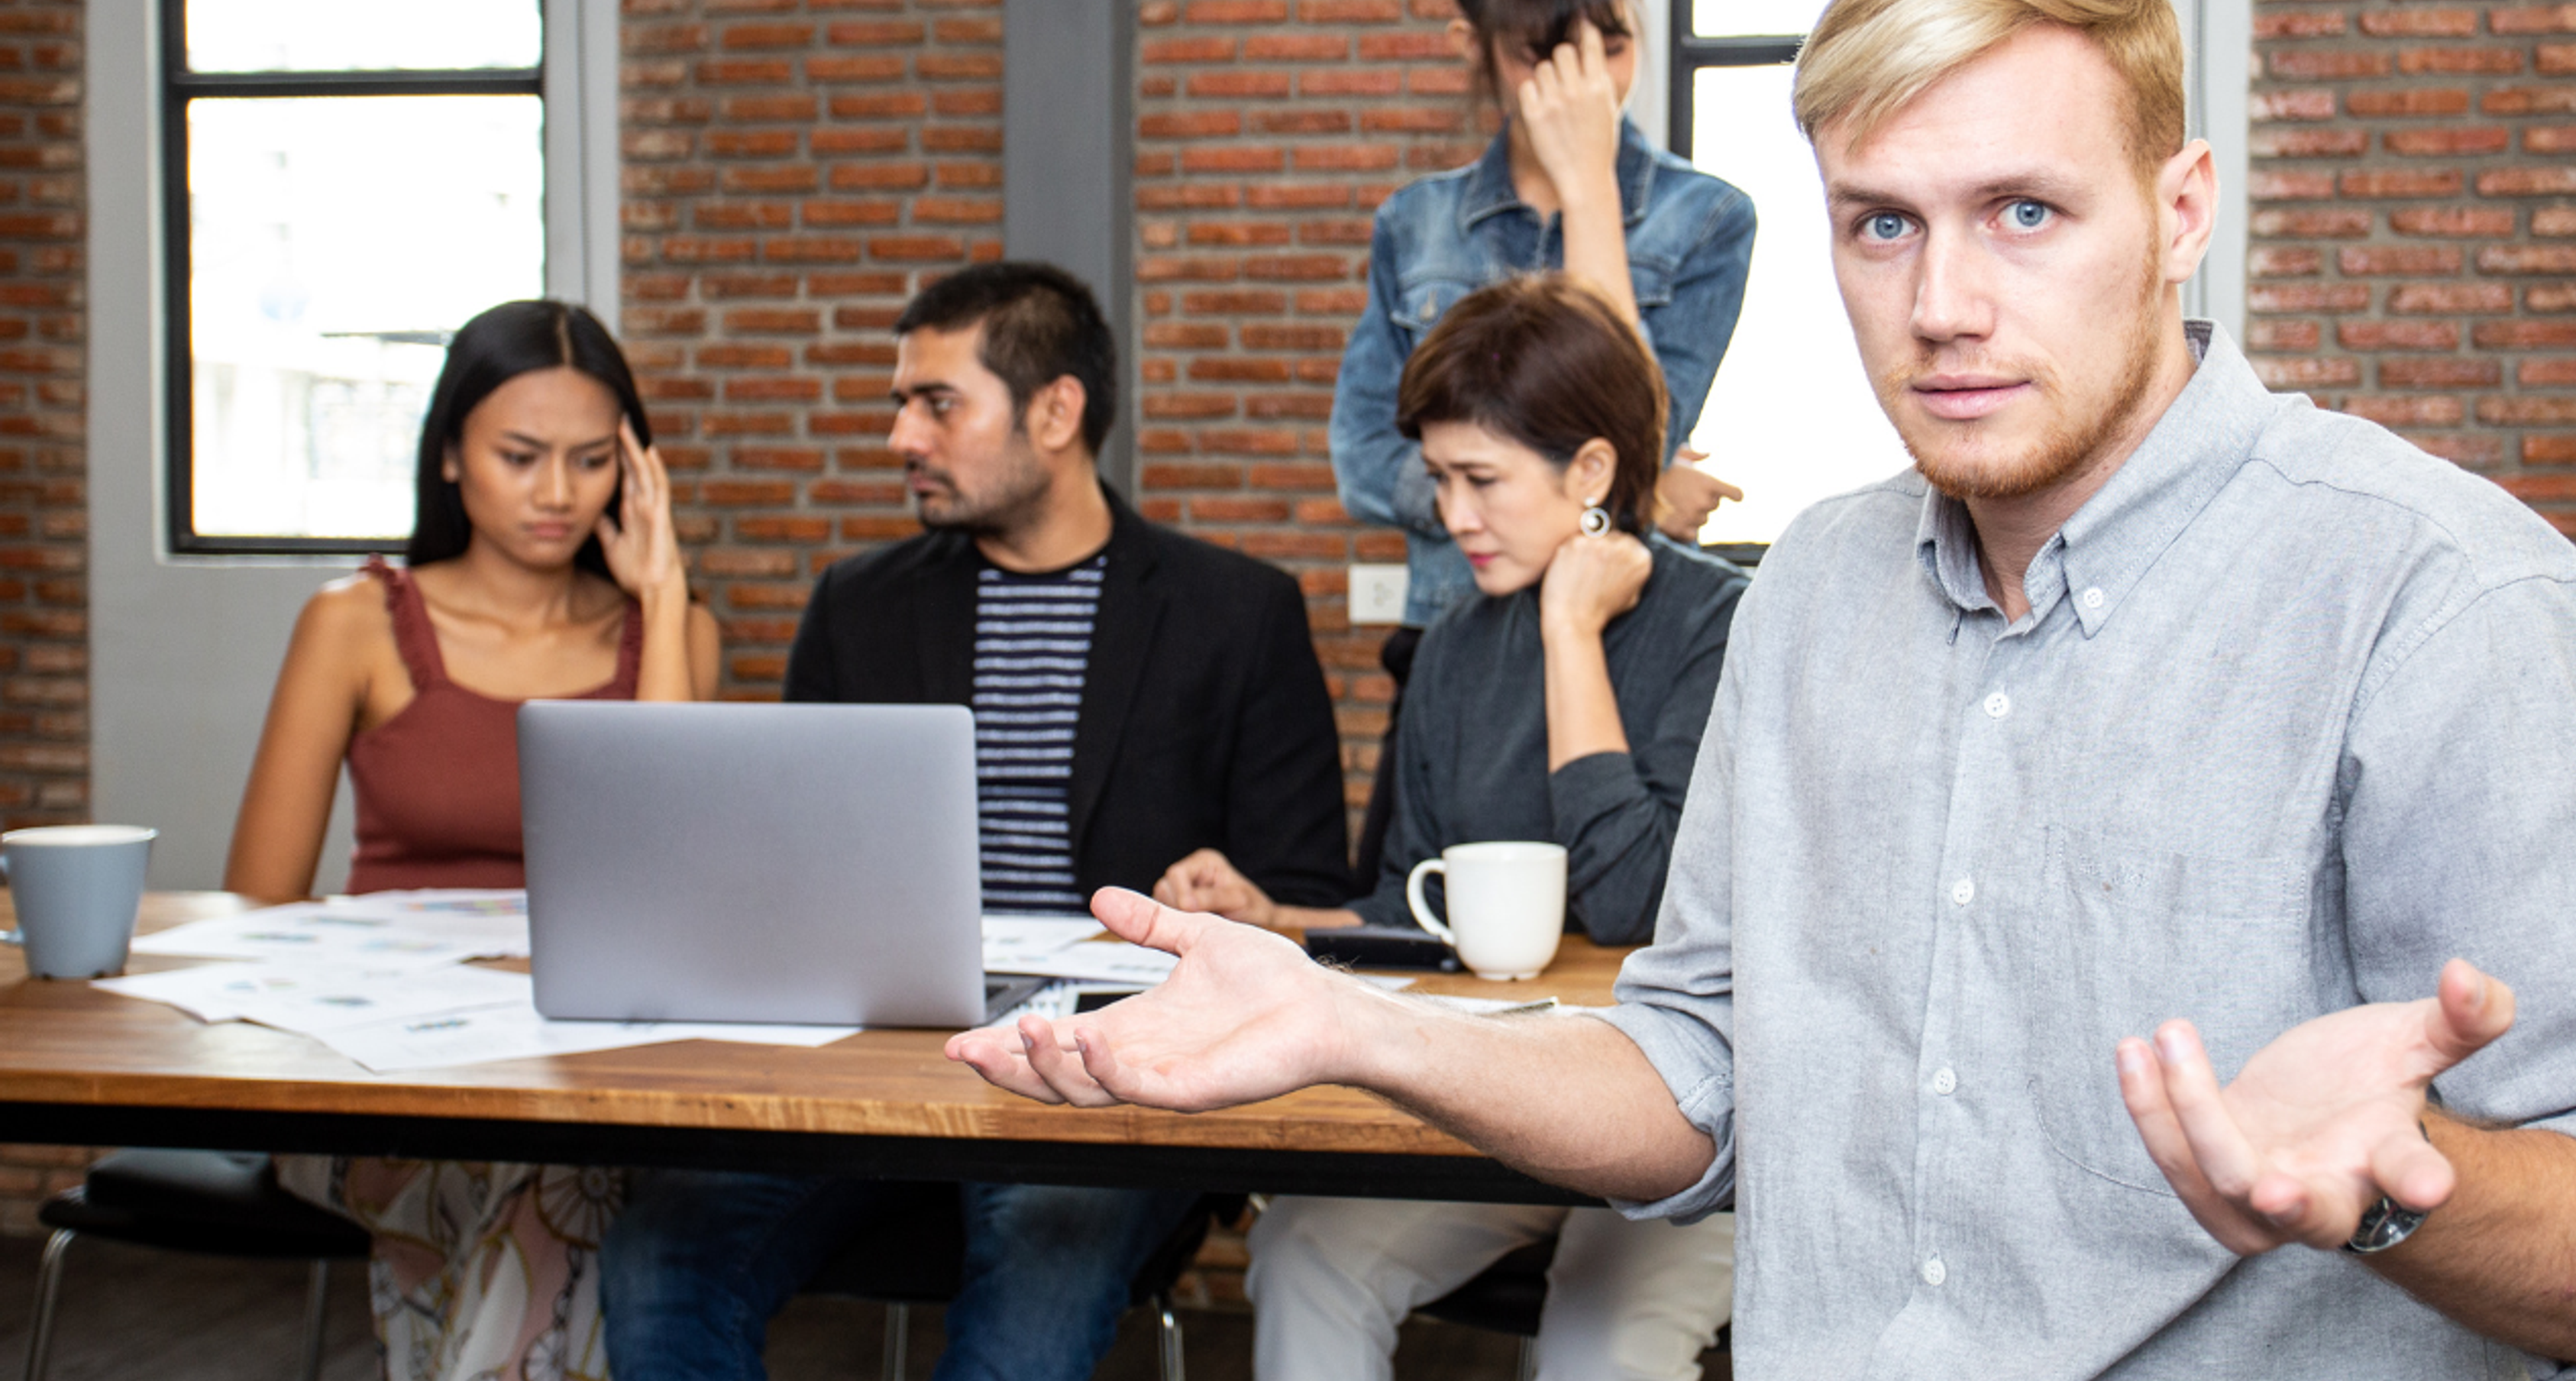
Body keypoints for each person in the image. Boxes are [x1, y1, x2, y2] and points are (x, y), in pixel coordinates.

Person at [948, 0, 2576, 1379]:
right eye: (1882, 225)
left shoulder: (2448, 605)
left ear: (2184, 210)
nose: (1946, 305)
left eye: (2027, 214)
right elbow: (1698, 1076)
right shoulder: (1816, 590)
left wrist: (2401, 1186)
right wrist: (1352, 1026)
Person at [600, 260, 1356, 1381]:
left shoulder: (1237, 614)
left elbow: (1304, 889)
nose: (903, 435)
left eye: (937, 403)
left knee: (1034, 1287)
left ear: (1057, 411)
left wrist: (1247, 907)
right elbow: (788, 870)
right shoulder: (860, 605)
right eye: (900, 403)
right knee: (661, 1251)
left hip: (1106, 1074)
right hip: (877, 1062)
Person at [1158, 276, 1745, 1380]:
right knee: (1303, 1251)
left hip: (1688, 1120)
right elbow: (1409, 907)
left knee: (1597, 1340)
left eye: (1481, 479)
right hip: (1506, 1099)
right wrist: (1272, 916)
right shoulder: (1458, 648)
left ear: (1591, 475)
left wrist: (1573, 634)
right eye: (1439, 480)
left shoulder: (1723, 630)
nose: (1452, 516)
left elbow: (1633, 903)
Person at [229, 298, 721, 1381]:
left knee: (562, 1173)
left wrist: (666, 588)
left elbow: (675, 893)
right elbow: (254, 909)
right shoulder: (353, 622)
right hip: (376, 1079)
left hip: (586, 1084)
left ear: (635, 472)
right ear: (450, 455)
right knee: (557, 1192)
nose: (557, 493)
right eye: (520, 456)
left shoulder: (672, 637)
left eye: (592, 460)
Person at [1333, 0, 1757, 876]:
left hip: (1627, 642)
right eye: (1541, 54)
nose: (1587, 86)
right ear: (1470, 46)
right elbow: (1366, 458)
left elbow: (1628, 432)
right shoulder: (1415, 223)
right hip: (1456, 651)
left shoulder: (1706, 219)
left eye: (1612, 45)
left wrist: (1588, 196)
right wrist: (1546, 491)